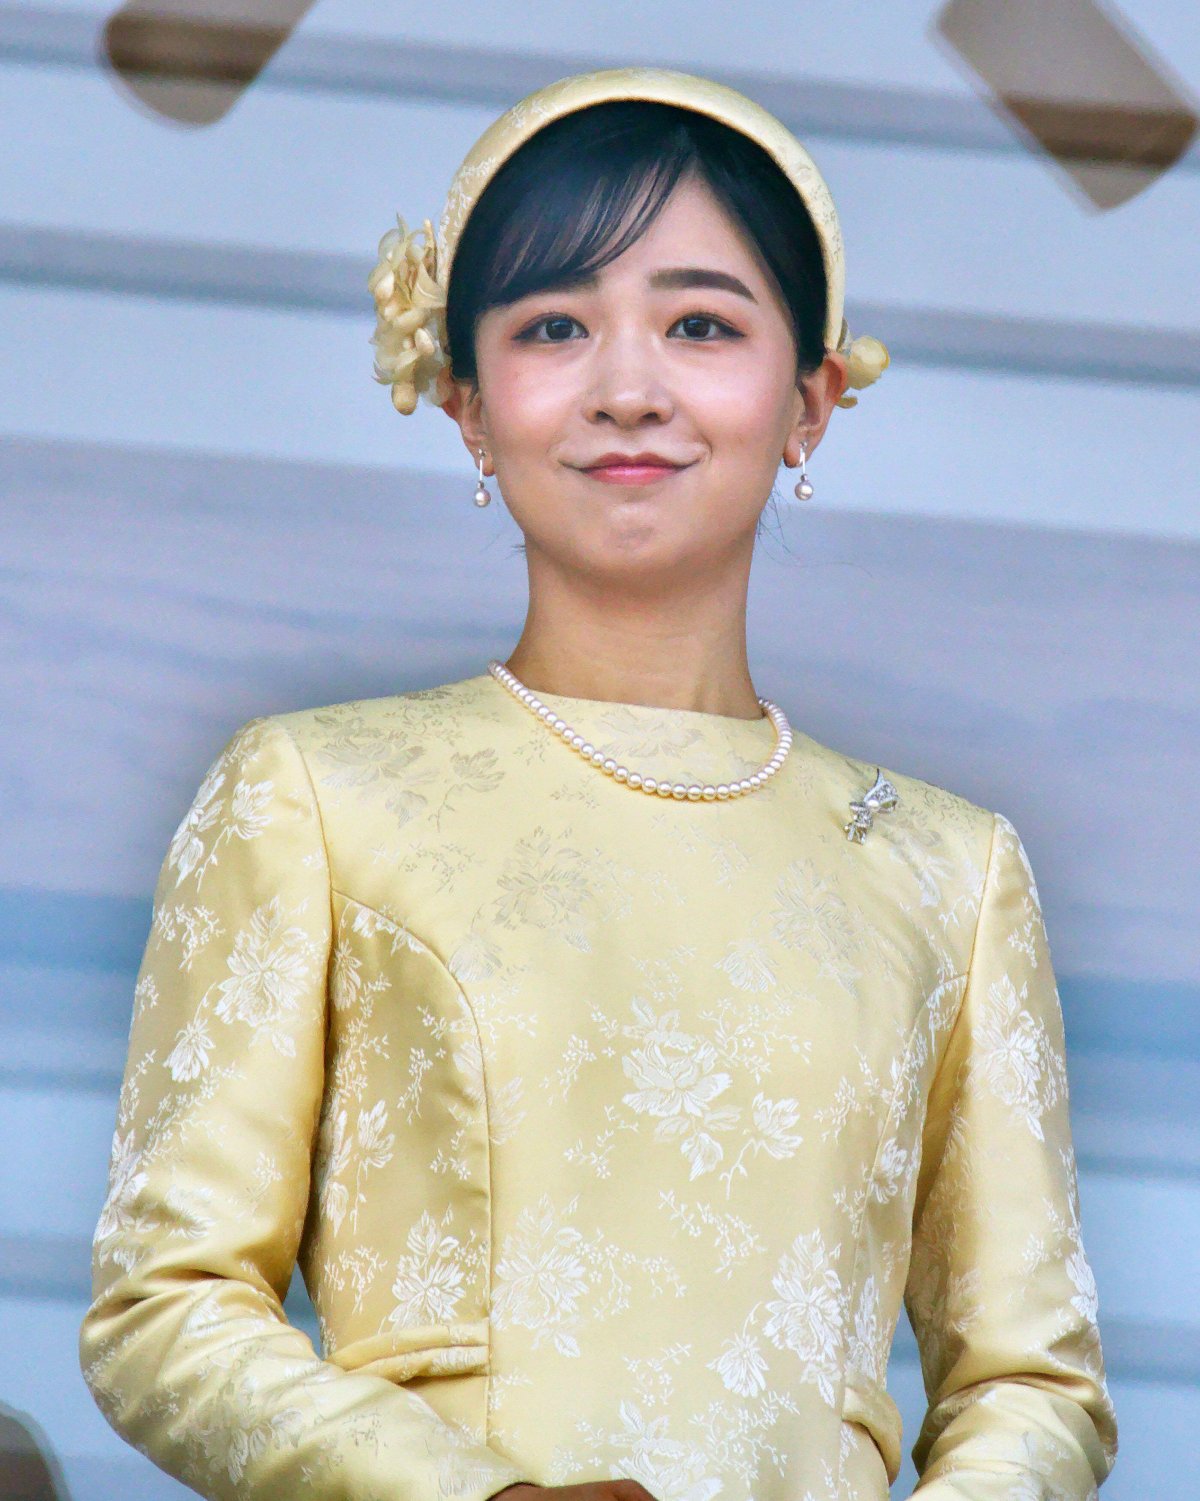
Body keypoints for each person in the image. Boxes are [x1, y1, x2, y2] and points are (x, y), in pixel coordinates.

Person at [78, 66, 1119, 1501]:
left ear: (812, 397)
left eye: (701, 323)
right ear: (465, 402)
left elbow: (1031, 1382)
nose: (629, 387)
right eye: (554, 326)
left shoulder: (951, 867)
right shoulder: (316, 795)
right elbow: (164, 1306)